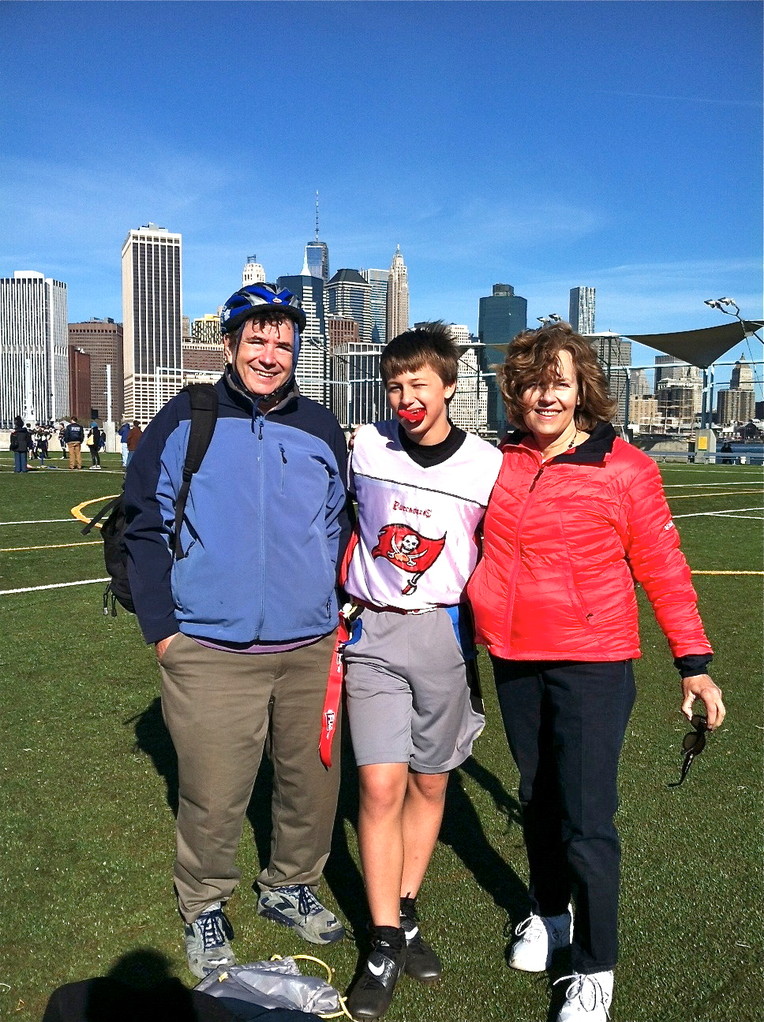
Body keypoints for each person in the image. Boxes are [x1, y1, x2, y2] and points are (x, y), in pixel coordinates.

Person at [466, 323, 726, 1022]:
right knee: (536, 797)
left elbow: (663, 568)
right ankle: (550, 914)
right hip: (515, 657)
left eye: (557, 381)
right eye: (529, 384)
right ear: (514, 394)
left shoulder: (625, 468)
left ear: (582, 388)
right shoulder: (503, 461)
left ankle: (595, 967)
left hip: (594, 661)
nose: (543, 396)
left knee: (585, 817)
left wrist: (693, 663)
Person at [124, 283, 352, 980]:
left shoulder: (320, 426)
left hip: (310, 646)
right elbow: (143, 524)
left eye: (283, 343)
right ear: (229, 344)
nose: (270, 354)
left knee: (310, 788)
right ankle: (203, 902)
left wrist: (329, 608)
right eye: (257, 339)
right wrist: (165, 631)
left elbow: (339, 522)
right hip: (209, 649)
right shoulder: (184, 417)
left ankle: (290, 884)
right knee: (215, 792)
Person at [342, 323, 502, 1020]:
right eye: (394, 385)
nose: (406, 396)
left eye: (420, 384)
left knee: (430, 783)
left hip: (445, 638)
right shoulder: (363, 446)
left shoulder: (488, 466)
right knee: (381, 784)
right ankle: (381, 939)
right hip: (373, 633)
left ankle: (404, 908)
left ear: (449, 388)